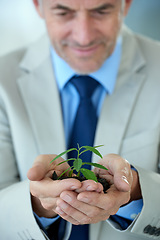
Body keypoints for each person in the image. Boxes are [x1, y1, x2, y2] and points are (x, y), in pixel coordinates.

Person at [0, 0, 160, 239]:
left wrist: (136, 191)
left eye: (101, 10)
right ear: (38, 7)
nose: (83, 37)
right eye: (63, 12)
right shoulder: (3, 80)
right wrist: (38, 204)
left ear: (126, 5)